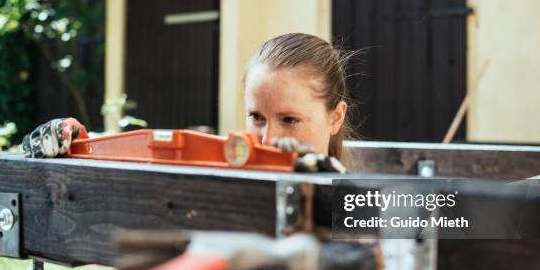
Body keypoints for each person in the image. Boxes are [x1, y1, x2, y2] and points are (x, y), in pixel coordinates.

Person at [23, 33, 354, 172]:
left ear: (335, 117)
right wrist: (77, 144)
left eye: (290, 120)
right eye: (256, 116)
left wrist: (326, 191)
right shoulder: (216, 182)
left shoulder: (365, 206)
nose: (268, 139)